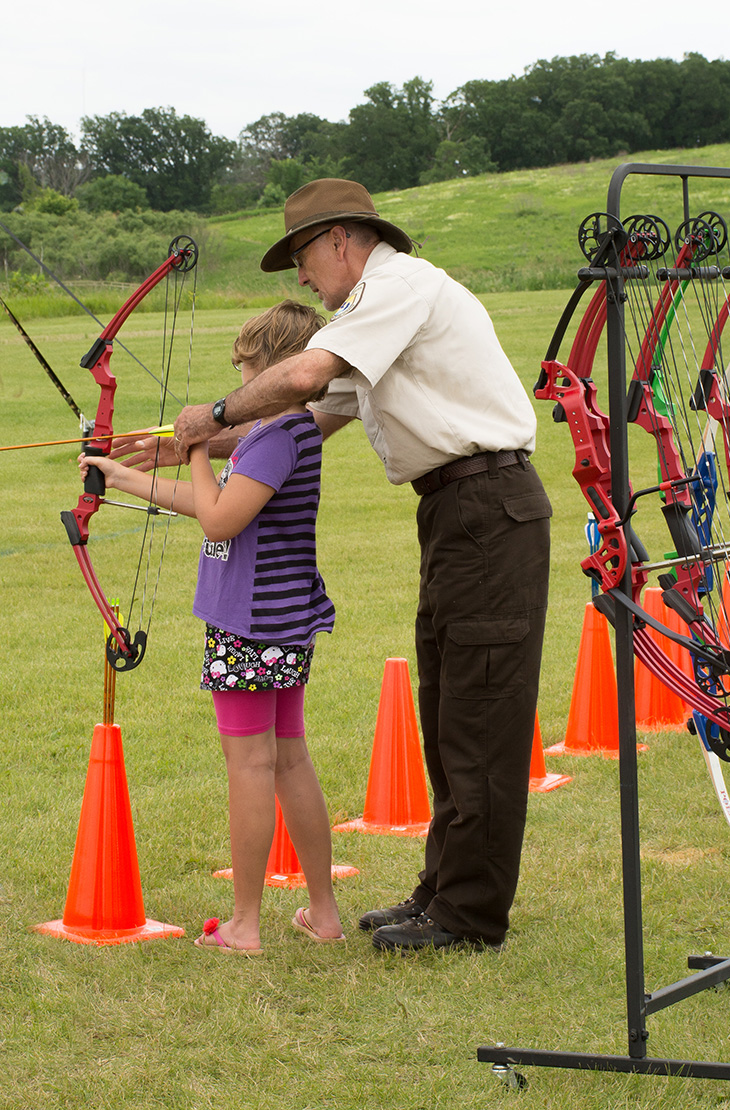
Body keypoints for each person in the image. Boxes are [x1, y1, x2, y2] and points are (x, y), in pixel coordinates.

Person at [164, 178, 552, 952]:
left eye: (303, 256)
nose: (302, 278)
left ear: (340, 239)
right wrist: (184, 446)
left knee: (478, 717)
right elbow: (306, 418)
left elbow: (302, 380)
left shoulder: (396, 287)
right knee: (447, 712)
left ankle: (468, 916)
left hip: (487, 509)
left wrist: (209, 416)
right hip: (454, 512)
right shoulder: (370, 317)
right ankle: (440, 893)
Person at [83, 300, 344, 952]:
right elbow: (213, 504)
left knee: (250, 765)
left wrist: (196, 445)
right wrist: (118, 479)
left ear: (271, 369)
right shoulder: (281, 435)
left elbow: (218, 519)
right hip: (277, 620)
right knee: (286, 759)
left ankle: (244, 925)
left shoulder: (277, 438)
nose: (241, 383)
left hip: (251, 624)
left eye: (248, 369)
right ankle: (322, 913)